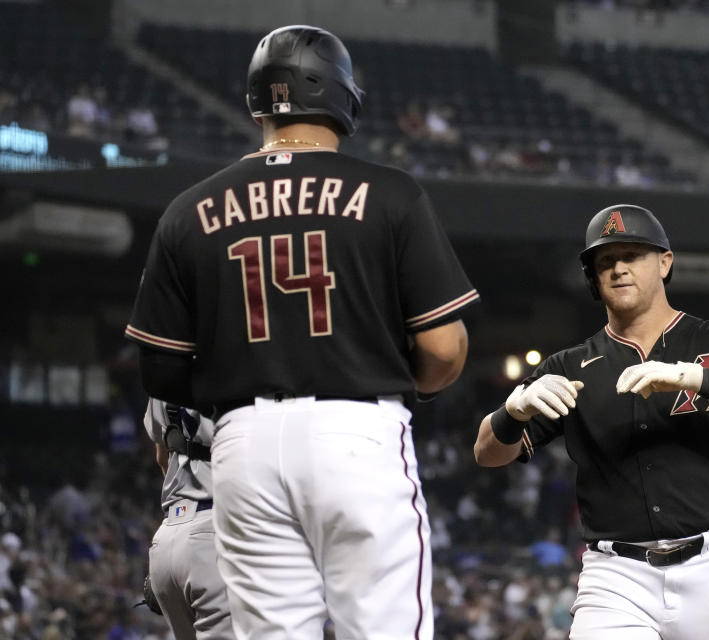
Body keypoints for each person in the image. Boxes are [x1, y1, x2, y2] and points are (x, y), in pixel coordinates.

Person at [125, 25, 478, 639]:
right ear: (341, 97)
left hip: (240, 443)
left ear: (258, 101)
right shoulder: (389, 194)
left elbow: (160, 370)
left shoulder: (190, 209)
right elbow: (444, 349)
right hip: (356, 427)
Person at [474, 204, 709, 639]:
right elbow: (487, 453)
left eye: (632, 256)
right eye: (605, 261)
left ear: (665, 263)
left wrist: (692, 375)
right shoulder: (570, 365)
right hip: (616, 575)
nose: (618, 269)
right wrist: (513, 412)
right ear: (593, 278)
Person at [142, 397, 234, 639]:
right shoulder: (241, 368)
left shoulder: (165, 366)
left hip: (168, 534)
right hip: (214, 533)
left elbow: (162, 457)